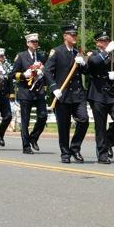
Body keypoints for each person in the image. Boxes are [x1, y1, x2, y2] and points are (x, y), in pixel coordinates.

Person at [44, 24, 88, 164]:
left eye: (76, 34)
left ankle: (74, 148)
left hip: (78, 94)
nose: (75, 36)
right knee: (64, 126)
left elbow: (86, 72)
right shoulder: (56, 51)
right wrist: (53, 87)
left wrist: (83, 63)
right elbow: (47, 71)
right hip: (62, 95)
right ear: (65, 36)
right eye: (72, 34)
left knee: (84, 120)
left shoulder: (78, 53)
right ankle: (65, 153)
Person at [86, 30, 114, 164]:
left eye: (107, 40)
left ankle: (108, 141)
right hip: (98, 94)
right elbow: (94, 63)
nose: (105, 42)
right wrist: (106, 52)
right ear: (97, 43)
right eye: (102, 40)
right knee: (100, 126)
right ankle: (102, 154)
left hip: (113, 93)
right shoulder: (93, 54)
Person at [12, 33, 48, 154]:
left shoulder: (42, 56)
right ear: (27, 43)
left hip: (39, 92)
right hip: (25, 91)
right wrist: (23, 75)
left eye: (36, 42)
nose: (35, 44)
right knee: (25, 120)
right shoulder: (21, 56)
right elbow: (13, 74)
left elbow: (47, 72)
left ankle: (33, 137)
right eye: (32, 42)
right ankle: (26, 146)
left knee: (43, 116)